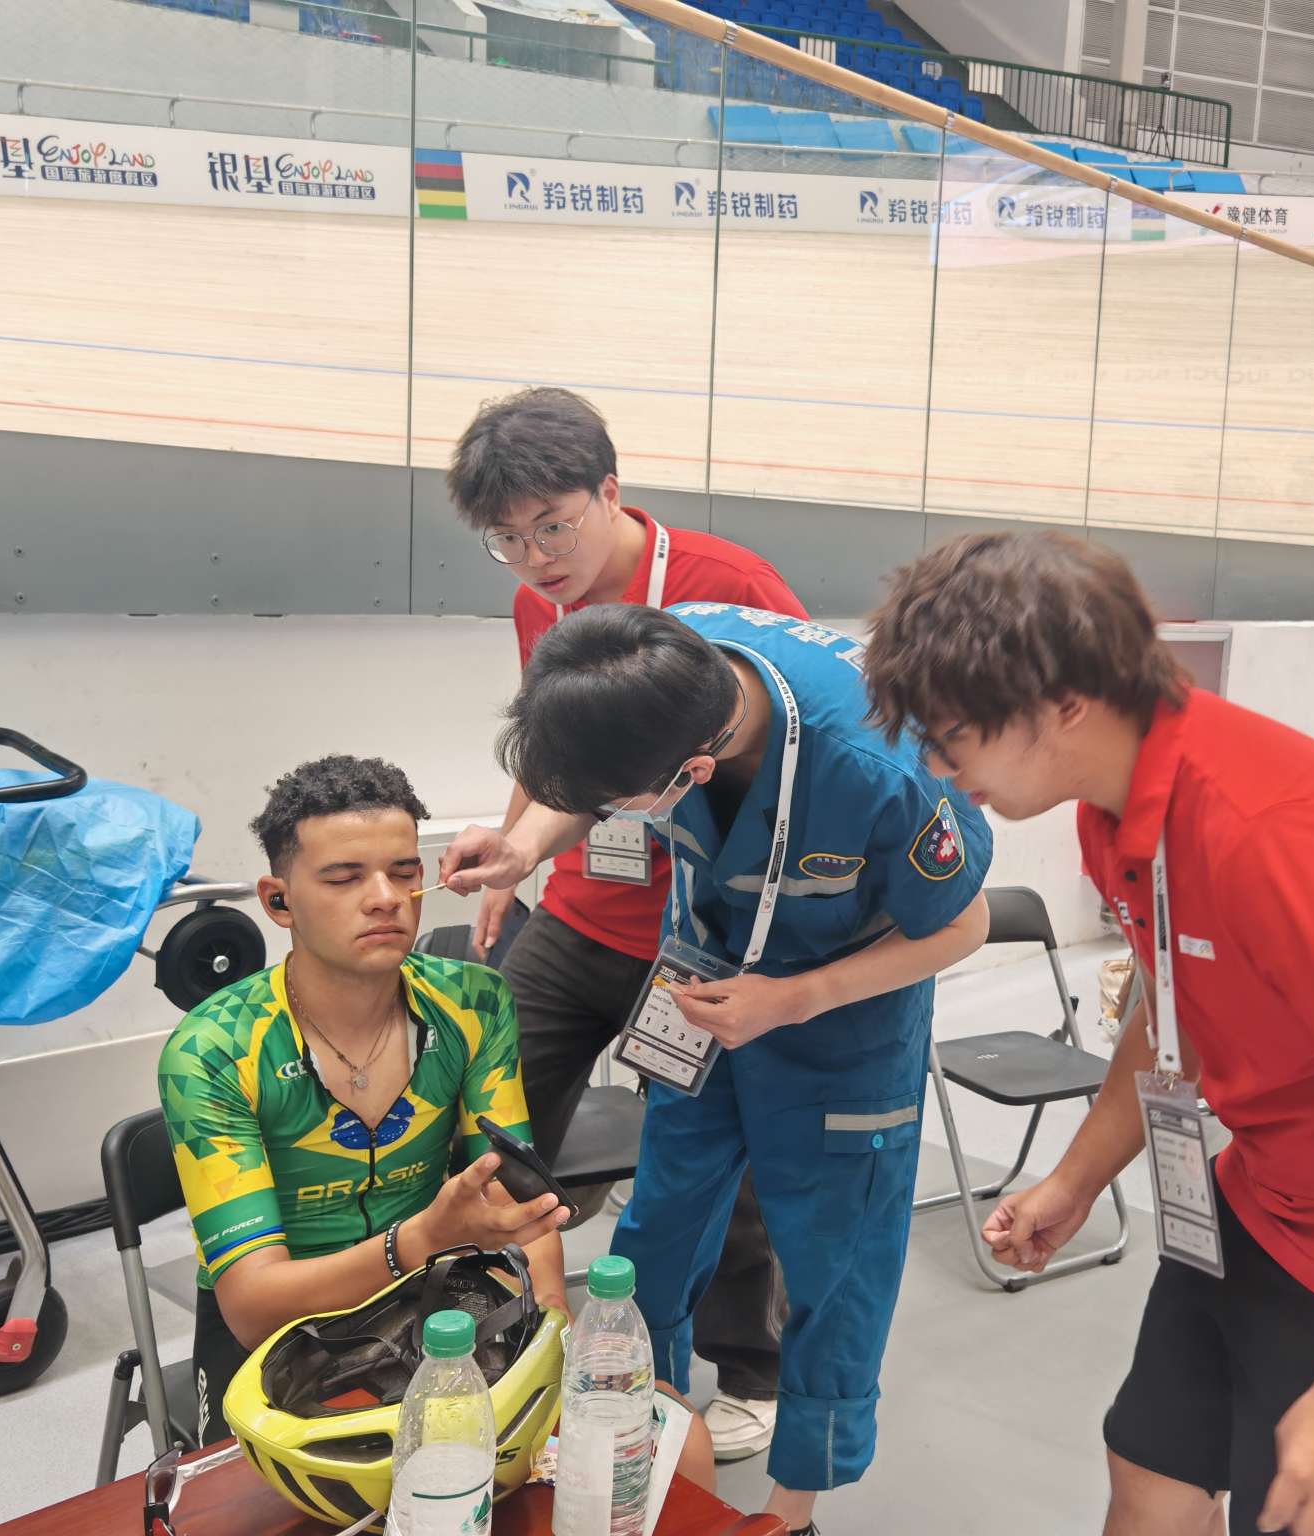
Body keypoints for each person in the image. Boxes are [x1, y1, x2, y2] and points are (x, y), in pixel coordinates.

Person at [860, 532, 1314, 1536]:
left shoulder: (1270, 830)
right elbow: (1173, 1016)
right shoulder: (1113, 809)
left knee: (1303, 1507)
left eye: (950, 739)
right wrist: (1074, 1180)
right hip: (1269, 1203)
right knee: (1150, 1471)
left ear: (1062, 703)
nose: (938, 769)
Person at [439, 602, 992, 1535]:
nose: (609, 817)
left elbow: (964, 924)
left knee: (834, 1262)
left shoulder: (878, 766)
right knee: (660, 1220)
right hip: (698, 992)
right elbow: (596, 782)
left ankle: (792, 1509)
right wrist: (524, 845)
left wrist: (798, 997)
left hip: (843, 1024)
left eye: (622, 802)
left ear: (689, 772)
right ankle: (643, 1440)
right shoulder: (654, 661)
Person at [447, 385, 804, 1460]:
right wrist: (515, 858)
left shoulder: (730, 588)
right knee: (490, 1103)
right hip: (582, 912)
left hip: (705, 928)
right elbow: (555, 748)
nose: (534, 558)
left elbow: (797, 753)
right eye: (507, 540)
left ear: (611, 492)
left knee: (705, 1145)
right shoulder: (538, 604)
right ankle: (500, 1326)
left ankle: (754, 1368)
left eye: (552, 527)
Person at [157, 755, 572, 1443]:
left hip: (435, 1298)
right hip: (282, 1335)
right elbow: (253, 1307)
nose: (384, 898)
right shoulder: (214, 1050)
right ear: (278, 901)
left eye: (404, 872)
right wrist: (421, 1239)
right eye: (344, 878)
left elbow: (522, 1205)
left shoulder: (474, 1002)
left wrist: (550, 1333)